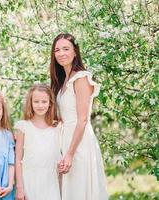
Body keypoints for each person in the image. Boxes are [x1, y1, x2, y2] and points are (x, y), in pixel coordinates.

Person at [50, 33, 108, 200]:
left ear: (75, 52)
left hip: (79, 142)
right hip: (64, 137)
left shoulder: (81, 78)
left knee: (78, 190)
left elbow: (82, 119)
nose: (61, 53)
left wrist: (70, 153)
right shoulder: (63, 80)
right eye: (57, 50)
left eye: (66, 49)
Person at [14, 84, 62, 200]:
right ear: (30, 103)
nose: (40, 105)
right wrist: (20, 187)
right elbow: (18, 158)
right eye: (36, 101)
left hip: (50, 180)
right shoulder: (23, 126)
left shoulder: (57, 127)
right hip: (29, 179)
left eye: (44, 101)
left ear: (50, 103)